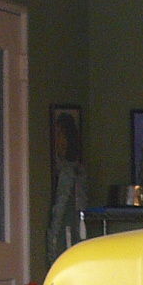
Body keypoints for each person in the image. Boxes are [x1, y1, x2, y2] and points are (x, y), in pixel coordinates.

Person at [44, 112, 87, 268]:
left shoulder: (71, 172)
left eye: (62, 135)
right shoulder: (64, 168)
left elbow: (64, 209)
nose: (59, 140)